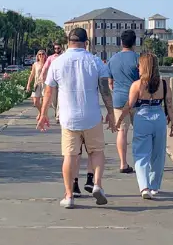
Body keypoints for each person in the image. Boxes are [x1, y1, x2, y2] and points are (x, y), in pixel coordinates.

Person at [38, 27, 117, 208]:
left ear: (68, 41)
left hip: (68, 117)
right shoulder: (96, 61)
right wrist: (111, 114)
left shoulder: (58, 62)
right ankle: (97, 184)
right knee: (96, 152)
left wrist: (43, 114)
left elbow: (49, 90)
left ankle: (69, 195)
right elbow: (105, 91)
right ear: (86, 42)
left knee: (70, 156)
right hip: (92, 116)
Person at [120, 51, 173, 199]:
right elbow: (169, 105)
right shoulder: (164, 84)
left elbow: (129, 105)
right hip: (159, 118)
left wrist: (119, 120)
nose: (137, 68)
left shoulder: (137, 85)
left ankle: (144, 187)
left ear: (143, 67)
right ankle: (154, 186)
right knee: (158, 155)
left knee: (141, 153)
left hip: (142, 117)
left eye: (139, 66)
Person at [107, 30, 140, 174]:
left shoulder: (113, 59)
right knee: (140, 132)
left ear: (121, 42)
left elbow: (110, 82)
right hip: (137, 100)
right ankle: (141, 161)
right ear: (134, 42)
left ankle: (123, 163)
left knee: (122, 131)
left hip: (119, 99)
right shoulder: (138, 59)